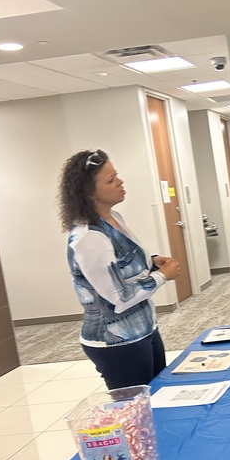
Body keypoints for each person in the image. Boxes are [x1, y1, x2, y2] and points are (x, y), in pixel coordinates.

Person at [58, 149, 181, 390]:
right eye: (111, 180)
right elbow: (119, 298)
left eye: (117, 175)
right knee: (136, 408)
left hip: (143, 329)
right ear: (89, 192)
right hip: (117, 341)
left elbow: (119, 264)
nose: (120, 182)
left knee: (157, 399)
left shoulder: (113, 218)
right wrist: (161, 276)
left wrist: (151, 261)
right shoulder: (89, 237)